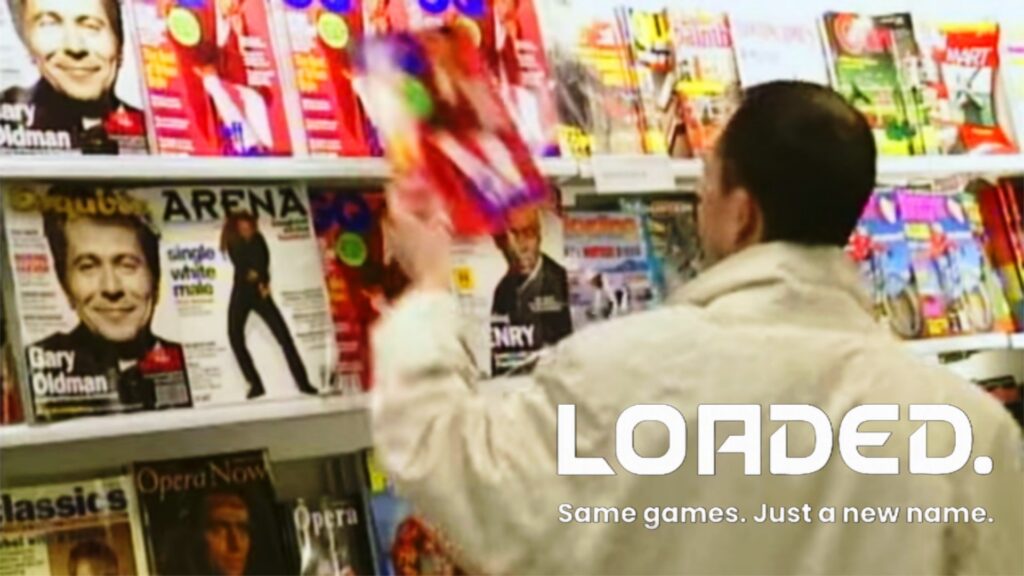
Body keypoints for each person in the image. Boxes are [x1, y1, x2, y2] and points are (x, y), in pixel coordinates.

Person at [371, 81, 1023, 575]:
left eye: (706, 184)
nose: (700, 204)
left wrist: (429, 284)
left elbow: (454, 467)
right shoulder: (970, 428)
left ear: (742, 214)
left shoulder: (618, 373)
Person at [32, 186, 188, 412]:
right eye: (88, 266)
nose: (111, 287)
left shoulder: (191, 364)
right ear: (65, 285)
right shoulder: (40, 366)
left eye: (127, 265)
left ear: (155, 279)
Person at [2, 0, 146, 152]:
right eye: (50, 24)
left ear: (119, 44)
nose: (74, 46)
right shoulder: (9, 114)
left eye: (91, 26)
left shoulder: (156, 132)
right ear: (27, 43)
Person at [220, 211, 318, 399]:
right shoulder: (234, 243)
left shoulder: (258, 240)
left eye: (249, 228)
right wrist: (257, 276)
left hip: (260, 293)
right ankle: (255, 384)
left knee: (284, 337)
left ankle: (303, 383)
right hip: (242, 293)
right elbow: (244, 269)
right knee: (234, 336)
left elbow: (263, 264)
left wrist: (263, 281)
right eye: (243, 229)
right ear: (237, 230)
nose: (247, 231)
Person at [489, 206, 573, 375]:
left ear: (539, 237)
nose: (524, 246)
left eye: (529, 234)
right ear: (499, 242)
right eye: (515, 235)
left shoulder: (562, 282)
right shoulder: (503, 289)